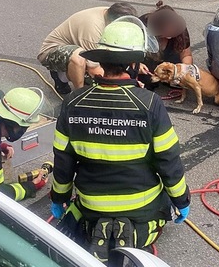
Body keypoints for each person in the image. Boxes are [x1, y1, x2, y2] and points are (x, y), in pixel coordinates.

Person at [50, 17, 191, 261]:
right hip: (142, 205)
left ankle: (98, 229)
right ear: (135, 63)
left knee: (83, 216)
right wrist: (181, 199)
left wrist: (59, 198)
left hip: (92, 204)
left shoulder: (73, 102)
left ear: (101, 59)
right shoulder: (149, 103)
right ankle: (134, 235)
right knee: (157, 206)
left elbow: (63, 160)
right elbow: (168, 159)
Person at [38, 2, 137, 94]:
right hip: (52, 51)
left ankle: (74, 76)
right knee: (79, 58)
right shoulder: (93, 30)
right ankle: (78, 93)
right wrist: (116, 87)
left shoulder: (113, 14)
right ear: (114, 22)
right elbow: (94, 69)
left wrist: (133, 62)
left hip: (81, 46)